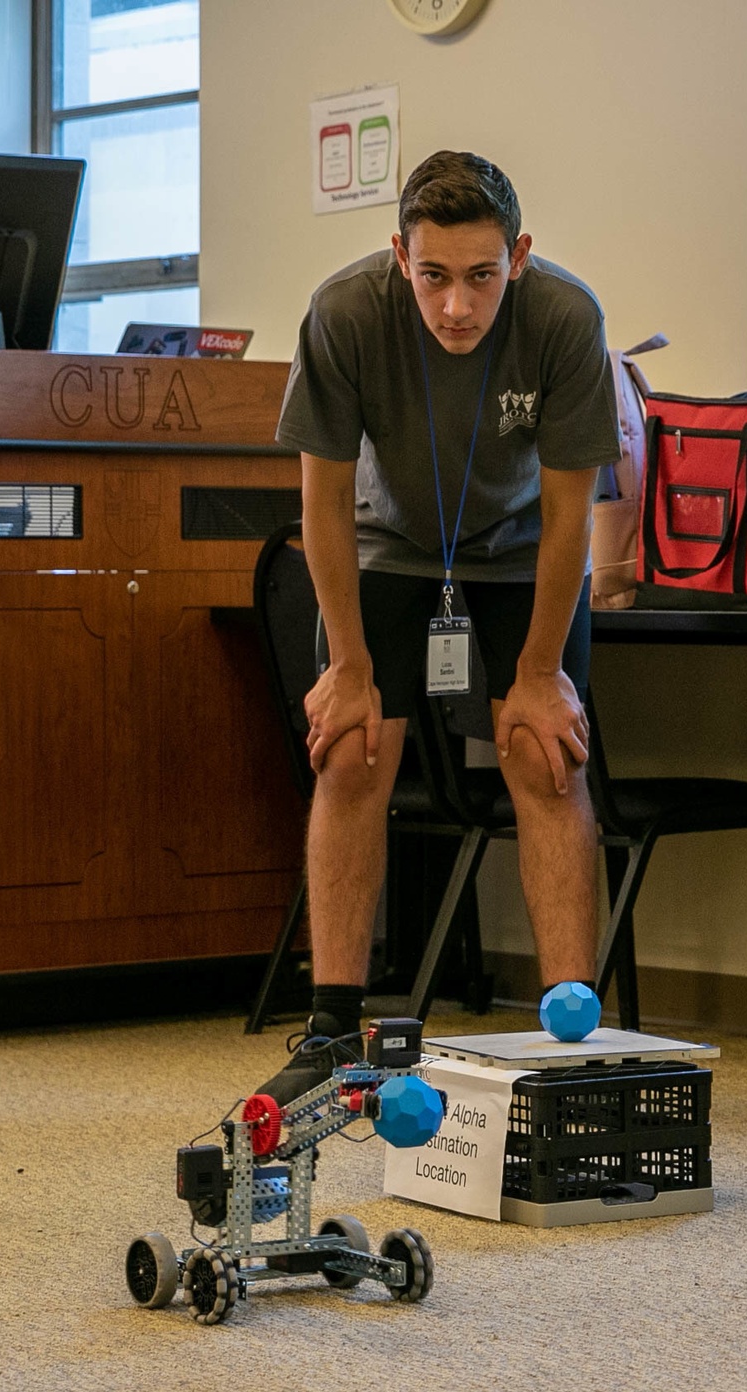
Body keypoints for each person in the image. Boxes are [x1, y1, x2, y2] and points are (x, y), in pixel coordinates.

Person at [258, 149, 620, 1103]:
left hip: (514, 554)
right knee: (350, 751)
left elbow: (570, 514)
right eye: (433, 277)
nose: (456, 306)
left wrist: (539, 671)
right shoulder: (343, 314)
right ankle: (334, 1024)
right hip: (385, 548)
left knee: (546, 753)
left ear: (521, 256)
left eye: (481, 277)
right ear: (398, 257)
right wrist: (349, 664)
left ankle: (570, 1024)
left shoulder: (565, 318)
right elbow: (324, 505)